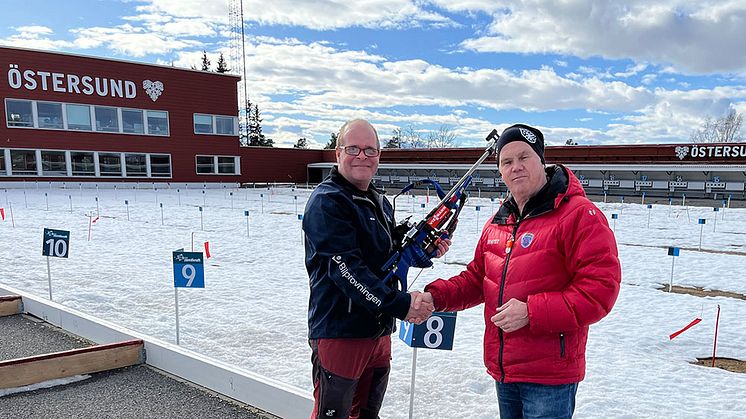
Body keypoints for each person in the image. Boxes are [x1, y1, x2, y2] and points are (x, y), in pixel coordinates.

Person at [416, 123, 621, 418]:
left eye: (524, 157)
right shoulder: (499, 222)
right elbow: (478, 278)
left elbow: (600, 291)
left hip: (549, 376)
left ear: (542, 160)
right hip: (505, 369)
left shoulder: (579, 215)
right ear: (500, 171)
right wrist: (436, 297)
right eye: (507, 162)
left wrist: (532, 311)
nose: (516, 167)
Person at [302, 119, 449, 419]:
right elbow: (346, 270)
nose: (362, 156)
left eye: (370, 150)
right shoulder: (327, 202)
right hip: (341, 333)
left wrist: (424, 251)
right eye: (353, 148)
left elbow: (387, 257)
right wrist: (401, 305)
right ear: (337, 153)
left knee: (368, 415)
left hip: (378, 332)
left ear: (379, 156)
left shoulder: (379, 202)